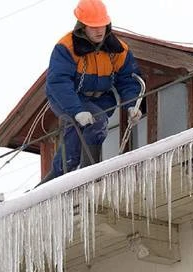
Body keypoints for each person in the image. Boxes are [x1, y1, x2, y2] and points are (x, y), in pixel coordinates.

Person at [41, 0, 143, 184]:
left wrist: (131, 106)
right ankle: (84, 175)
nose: (99, 30)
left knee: (86, 131)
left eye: (102, 25)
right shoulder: (66, 48)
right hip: (67, 97)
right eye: (93, 26)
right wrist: (77, 111)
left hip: (101, 99)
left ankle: (65, 178)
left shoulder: (118, 49)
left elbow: (129, 79)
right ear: (82, 27)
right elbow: (59, 82)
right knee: (92, 125)